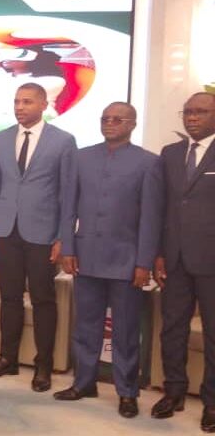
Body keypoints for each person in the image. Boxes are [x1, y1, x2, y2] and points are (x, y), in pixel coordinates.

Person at [53, 102, 162, 419]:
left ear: (132, 124)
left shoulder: (148, 162)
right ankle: (84, 383)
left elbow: (151, 218)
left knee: (125, 331)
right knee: (85, 326)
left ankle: (127, 392)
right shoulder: (81, 157)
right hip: (85, 257)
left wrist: (144, 263)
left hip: (126, 261)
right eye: (105, 118)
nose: (109, 123)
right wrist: (68, 249)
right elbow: (68, 208)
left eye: (117, 119)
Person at [0, 82, 77, 392]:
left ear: (44, 105)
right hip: (6, 230)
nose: (20, 107)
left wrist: (63, 237)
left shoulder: (63, 141)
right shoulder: (2, 138)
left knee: (43, 299)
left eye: (27, 102)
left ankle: (43, 365)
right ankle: (6, 359)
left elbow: (68, 194)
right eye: (17, 102)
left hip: (43, 233)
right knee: (9, 297)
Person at [152, 92, 215, 431]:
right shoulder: (171, 154)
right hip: (174, 258)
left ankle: (212, 402)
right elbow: (162, 207)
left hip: (211, 260)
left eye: (201, 112)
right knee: (172, 328)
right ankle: (173, 391)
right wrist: (159, 253)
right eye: (188, 112)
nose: (192, 117)